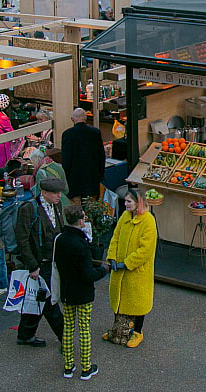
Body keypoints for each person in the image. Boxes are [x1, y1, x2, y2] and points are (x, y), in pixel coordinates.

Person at [55, 205, 108, 380]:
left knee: (68, 327)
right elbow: (88, 274)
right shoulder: (81, 244)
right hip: (83, 293)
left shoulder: (60, 239)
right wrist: (102, 271)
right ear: (79, 221)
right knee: (84, 328)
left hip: (67, 291)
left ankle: (68, 366)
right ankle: (86, 367)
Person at [15, 176, 65, 347]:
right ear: (44, 193)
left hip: (52, 261)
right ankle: (64, 338)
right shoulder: (29, 208)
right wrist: (32, 266)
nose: (59, 196)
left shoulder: (56, 205)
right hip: (40, 264)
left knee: (37, 300)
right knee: (49, 301)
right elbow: (22, 239)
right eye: (55, 193)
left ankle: (25, 334)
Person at [104, 187, 157, 348]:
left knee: (137, 303)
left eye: (129, 201)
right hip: (119, 271)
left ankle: (137, 332)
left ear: (138, 203)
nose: (125, 204)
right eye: (125, 201)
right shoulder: (124, 217)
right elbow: (115, 238)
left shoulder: (148, 221)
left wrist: (127, 263)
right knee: (119, 300)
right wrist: (111, 257)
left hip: (136, 272)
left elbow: (145, 250)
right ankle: (118, 330)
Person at [61, 108, 106, 205]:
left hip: (74, 181)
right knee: (91, 210)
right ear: (85, 118)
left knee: (76, 213)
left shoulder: (67, 135)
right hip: (91, 180)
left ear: (72, 119)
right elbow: (101, 156)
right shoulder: (95, 133)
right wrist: (100, 175)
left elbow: (66, 161)